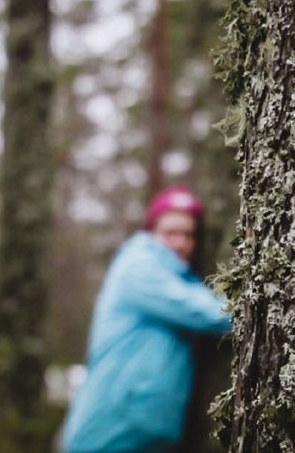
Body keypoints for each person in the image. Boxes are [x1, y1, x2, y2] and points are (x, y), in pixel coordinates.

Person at [62, 184, 232, 453]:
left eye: (188, 234)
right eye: (170, 233)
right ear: (151, 233)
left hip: (138, 433)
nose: (180, 243)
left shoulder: (173, 275)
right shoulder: (139, 267)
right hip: (110, 432)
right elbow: (213, 314)